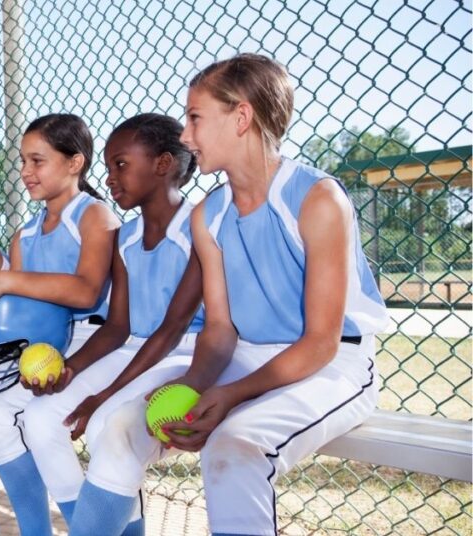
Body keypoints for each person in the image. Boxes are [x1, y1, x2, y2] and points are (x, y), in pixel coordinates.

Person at [69, 53, 389, 536]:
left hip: (332, 364)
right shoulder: (209, 215)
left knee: (235, 446)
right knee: (120, 428)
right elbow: (218, 330)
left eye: (195, 117)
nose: (185, 136)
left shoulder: (317, 199)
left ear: (241, 117)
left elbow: (321, 341)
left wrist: (230, 394)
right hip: (243, 356)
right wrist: (195, 383)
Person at [22, 113, 205, 535]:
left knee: (109, 423)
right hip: (132, 347)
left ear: (163, 165)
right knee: (41, 418)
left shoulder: (198, 226)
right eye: (107, 167)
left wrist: (102, 395)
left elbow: (173, 327)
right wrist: (71, 371)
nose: (108, 178)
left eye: (120, 164)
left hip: (183, 351)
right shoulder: (124, 237)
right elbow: (116, 327)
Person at [0, 113, 119, 535]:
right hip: (38, 343)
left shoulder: (94, 215)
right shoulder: (23, 234)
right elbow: (19, 306)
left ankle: (86, 527)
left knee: (41, 422)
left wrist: (4, 278)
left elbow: (87, 292)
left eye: (37, 161)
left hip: (94, 338)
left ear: (74, 163)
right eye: (22, 161)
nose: (25, 172)